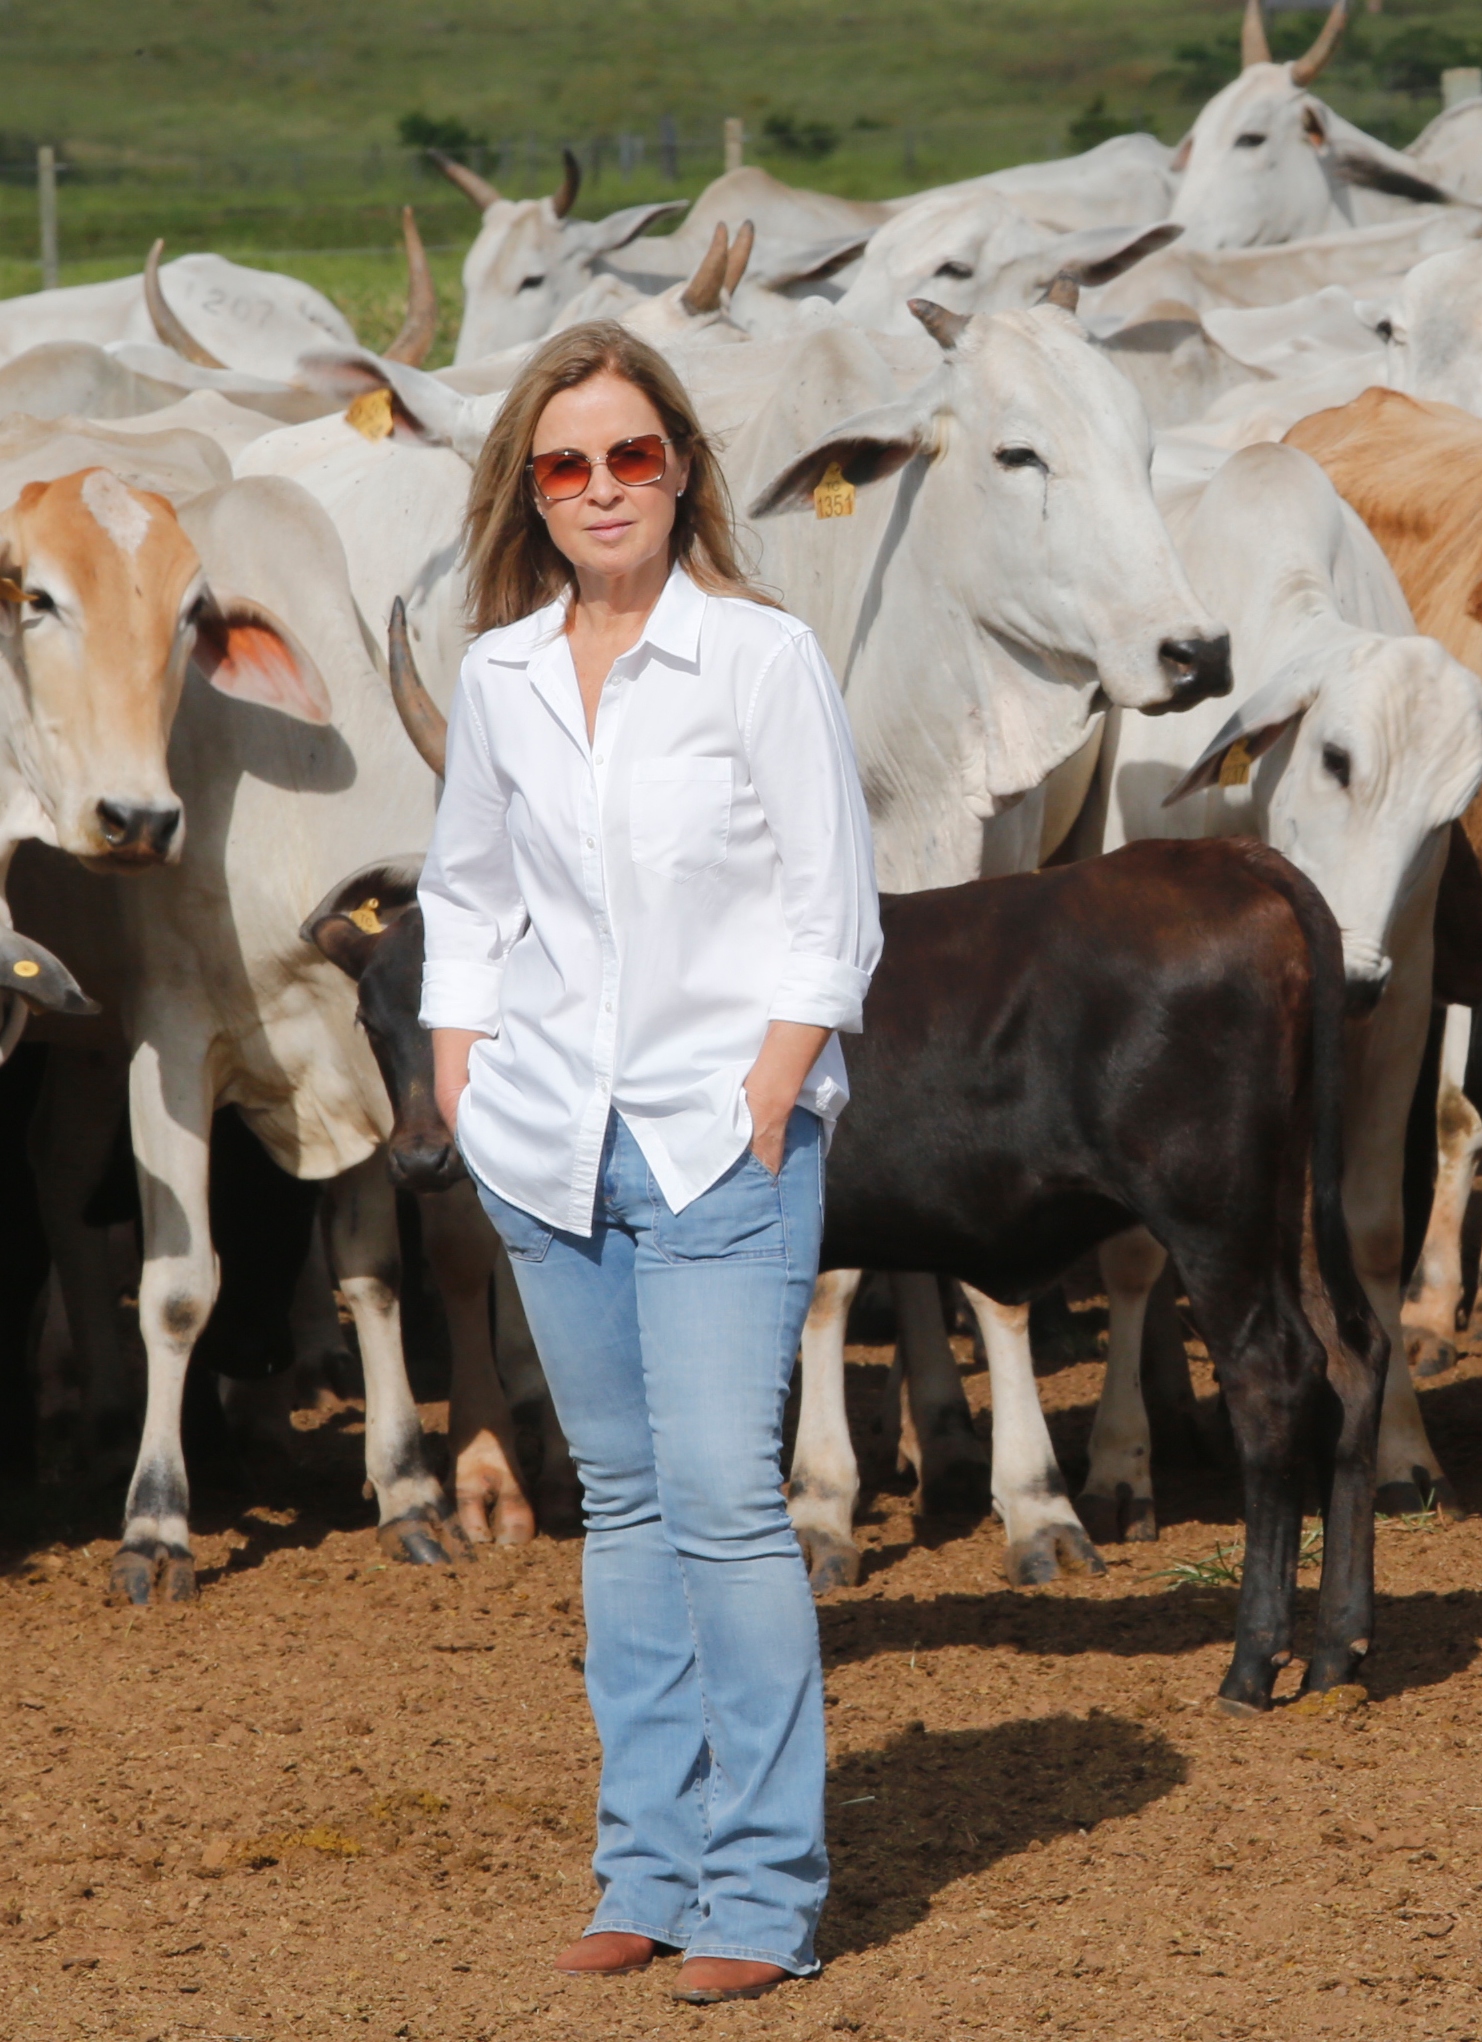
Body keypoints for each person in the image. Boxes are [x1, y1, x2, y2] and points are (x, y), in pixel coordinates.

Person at [419, 321, 880, 2004]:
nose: (601, 487)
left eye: (629, 455)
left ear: (681, 466)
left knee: (723, 1506)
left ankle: (759, 1889)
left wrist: (774, 1080)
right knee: (618, 1504)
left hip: (717, 1140)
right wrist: (461, 1068)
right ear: (528, 497)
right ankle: (646, 1864)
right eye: (565, 465)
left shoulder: (758, 655)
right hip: (548, 1145)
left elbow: (836, 901)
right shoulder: (502, 674)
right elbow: (467, 891)